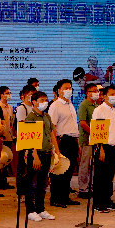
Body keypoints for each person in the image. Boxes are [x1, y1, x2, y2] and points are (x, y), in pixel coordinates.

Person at [18, 91, 59, 221]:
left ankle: (40, 209)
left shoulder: (46, 116)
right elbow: (30, 139)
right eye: (41, 100)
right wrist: (35, 155)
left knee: (43, 182)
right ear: (34, 101)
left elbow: (52, 133)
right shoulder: (31, 117)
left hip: (47, 152)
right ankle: (30, 210)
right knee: (32, 182)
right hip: (36, 154)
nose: (44, 103)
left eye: (45, 100)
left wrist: (57, 151)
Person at [48, 79, 81, 208]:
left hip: (72, 140)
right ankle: (56, 198)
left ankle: (65, 197)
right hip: (62, 141)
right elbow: (52, 127)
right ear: (59, 91)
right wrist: (56, 148)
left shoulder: (70, 104)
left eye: (70, 88)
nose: (69, 90)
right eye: (65, 88)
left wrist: (77, 142)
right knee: (59, 170)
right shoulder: (55, 105)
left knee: (69, 170)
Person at [90, 86, 115, 213]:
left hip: (113, 146)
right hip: (103, 147)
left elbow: (114, 129)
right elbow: (97, 131)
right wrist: (100, 148)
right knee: (100, 176)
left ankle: (107, 200)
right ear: (104, 96)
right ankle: (98, 203)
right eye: (112, 94)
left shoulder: (114, 110)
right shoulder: (99, 110)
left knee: (109, 176)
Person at [77, 83, 101, 199]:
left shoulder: (96, 106)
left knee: (93, 165)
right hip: (86, 139)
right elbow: (82, 123)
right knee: (85, 164)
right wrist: (94, 133)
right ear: (87, 93)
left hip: (95, 140)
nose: (97, 93)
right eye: (94, 91)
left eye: (97, 91)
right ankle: (83, 188)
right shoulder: (84, 105)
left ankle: (91, 186)